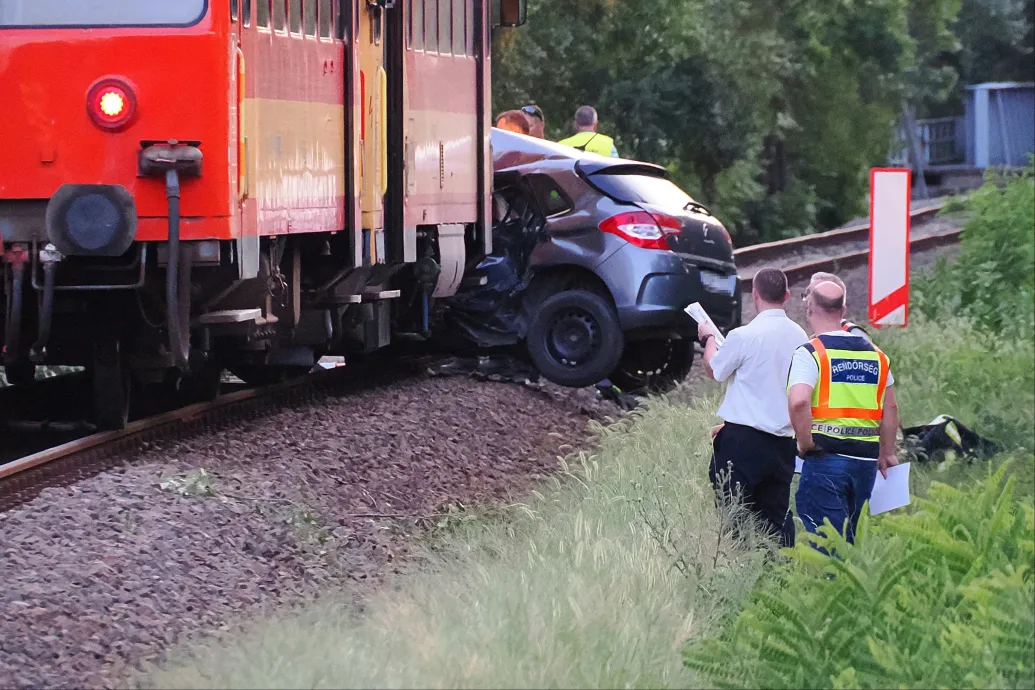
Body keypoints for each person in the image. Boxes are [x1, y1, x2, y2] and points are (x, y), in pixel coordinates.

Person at [697, 267, 808, 547]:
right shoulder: (801, 338)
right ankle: (778, 580)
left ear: (755, 294)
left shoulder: (744, 335)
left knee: (734, 517)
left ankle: (740, 575)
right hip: (783, 444)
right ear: (786, 295)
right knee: (776, 519)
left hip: (742, 444)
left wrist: (709, 339)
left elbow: (715, 369)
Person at [788, 280, 899, 548]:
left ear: (810, 307)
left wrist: (804, 442)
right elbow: (890, 407)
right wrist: (887, 452)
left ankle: (832, 589)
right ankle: (854, 589)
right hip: (865, 461)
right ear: (844, 309)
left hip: (825, 458)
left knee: (828, 546)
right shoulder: (877, 355)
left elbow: (799, 402)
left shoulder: (811, 353)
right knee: (853, 541)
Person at [802, 272, 869, 340]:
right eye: (808, 293)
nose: (808, 299)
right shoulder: (807, 336)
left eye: (818, 295)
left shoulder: (856, 335)